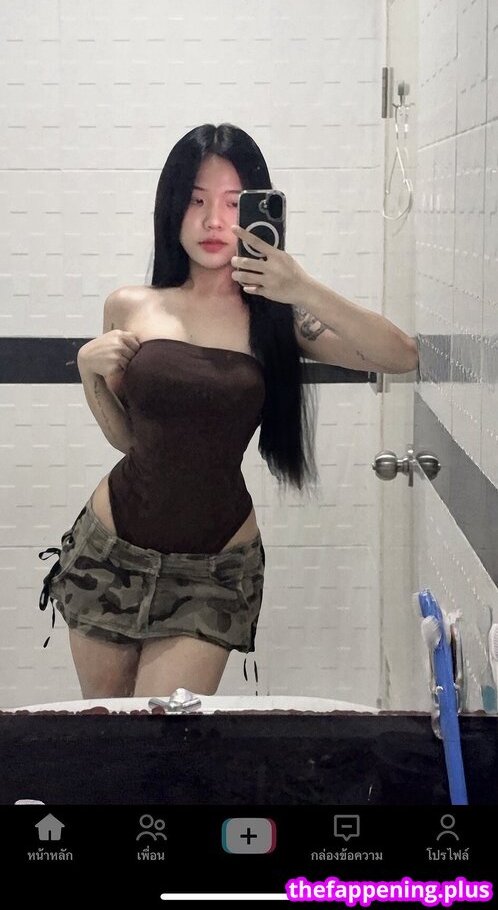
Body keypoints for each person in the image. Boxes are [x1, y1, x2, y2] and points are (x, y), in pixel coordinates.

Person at [39, 123, 419, 700]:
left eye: (234, 203)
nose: (215, 221)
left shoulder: (277, 321)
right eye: (197, 201)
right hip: (108, 553)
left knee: (167, 738)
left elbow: (401, 355)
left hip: (213, 572)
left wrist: (302, 287)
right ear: (172, 208)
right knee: (108, 737)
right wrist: (90, 374)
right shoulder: (131, 305)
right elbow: (128, 441)